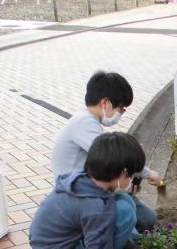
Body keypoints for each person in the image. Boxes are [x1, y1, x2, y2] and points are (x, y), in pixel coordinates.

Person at [31, 132, 161, 249]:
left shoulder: (80, 177)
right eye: (132, 176)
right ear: (123, 173)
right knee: (124, 211)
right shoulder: (96, 209)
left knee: (125, 200)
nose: (132, 180)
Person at [51, 71, 160, 234]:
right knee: (130, 230)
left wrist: (128, 183)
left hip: (93, 187)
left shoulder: (88, 120)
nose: (121, 113)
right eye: (121, 109)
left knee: (148, 218)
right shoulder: (84, 123)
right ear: (105, 103)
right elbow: (116, 158)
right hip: (80, 196)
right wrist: (147, 172)